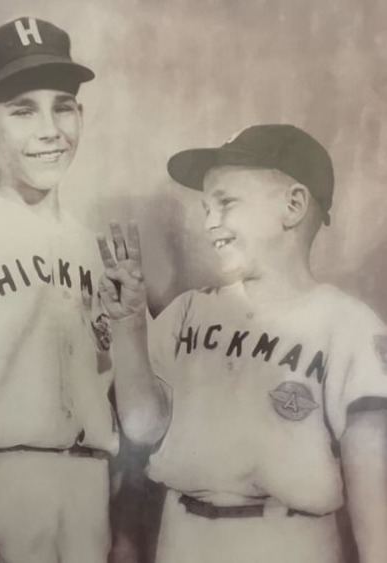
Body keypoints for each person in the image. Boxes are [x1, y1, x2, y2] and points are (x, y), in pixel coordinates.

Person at [97, 124, 387, 563]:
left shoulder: (349, 326)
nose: (210, 221)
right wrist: (128, 323)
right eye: (205, 208)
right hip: (183, 538)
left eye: (226, 203)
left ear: (293, 206)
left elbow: (375, 510)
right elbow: (142, 427)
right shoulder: (188, 310)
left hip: (286, 542)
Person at [0, 16, 118, 563]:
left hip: (87, 493)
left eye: (63, 106)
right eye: (22, 110)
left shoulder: (94, 249)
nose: (49, 129)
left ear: (81, 114)